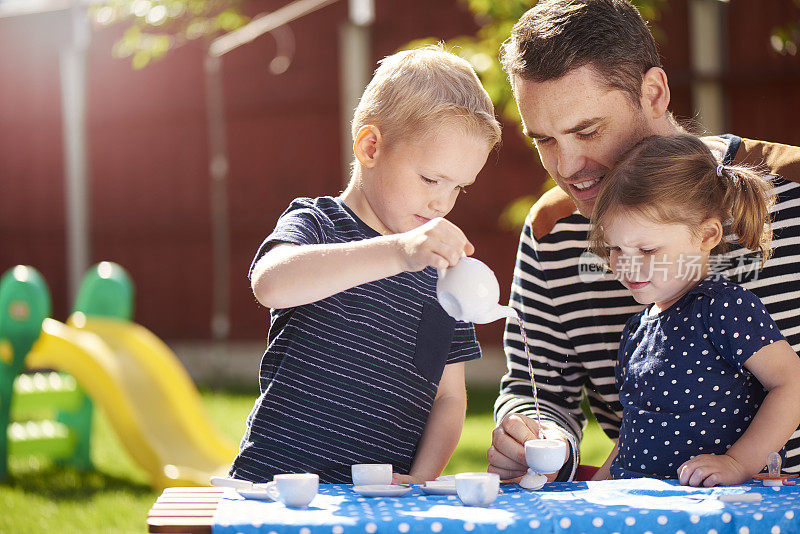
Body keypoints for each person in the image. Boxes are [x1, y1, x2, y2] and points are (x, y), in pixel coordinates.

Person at [488, 0, 800, 482]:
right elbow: (539, 393)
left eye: (587, 130)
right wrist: (535, 438)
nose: (568, 168)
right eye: (543, 140)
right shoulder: (552, 229)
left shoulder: (793, 189)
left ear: (653, 93)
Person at [229, 45, 502, 484]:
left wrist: (421, 479)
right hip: (277, 487)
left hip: (380, 501)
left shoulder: (443, 274)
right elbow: (271, 283)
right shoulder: (318, 224)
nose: (442, 201)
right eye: (431, 179)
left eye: (458, 188)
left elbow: (449, 398)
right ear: (371, 146)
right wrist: (397, 251)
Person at [585, 134, 800, 485]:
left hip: (713, 506)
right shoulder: (638, 329)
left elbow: (792, 383)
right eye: (615, 249)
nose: (626, 265)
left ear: (706, 236)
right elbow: (636, 426)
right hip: (641, 504)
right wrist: (597, 488)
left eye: (648, 250)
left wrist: (737, 463)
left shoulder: (722, 307)